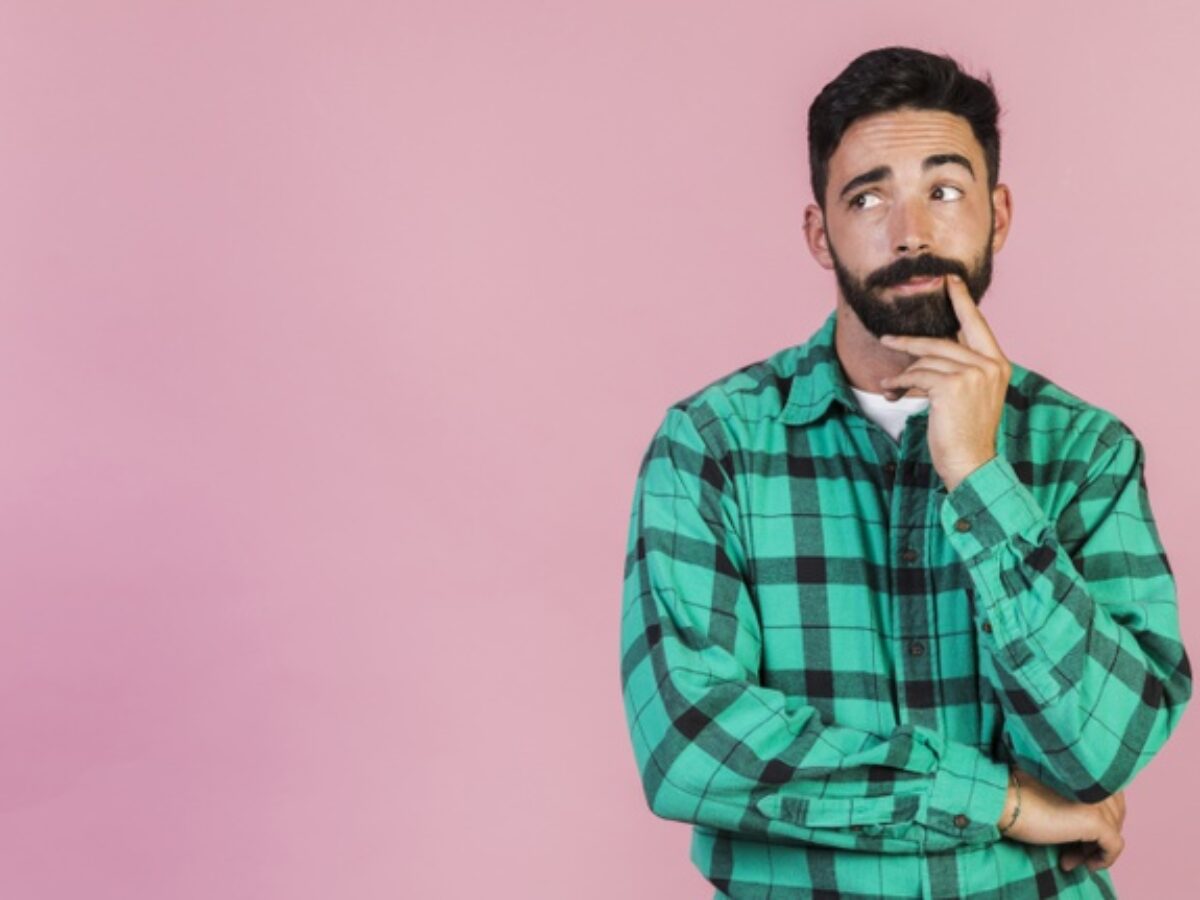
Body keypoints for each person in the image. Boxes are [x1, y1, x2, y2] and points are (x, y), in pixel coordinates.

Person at [617, 46, 1191, 899]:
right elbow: (690, 749)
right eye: (868, 197)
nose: (911, 231)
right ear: (820, 233)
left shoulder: (1086, 450)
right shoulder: (711, 446)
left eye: (944, 190)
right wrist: (995, 801)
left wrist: (980, 477)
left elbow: (1104, 750)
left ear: (998, 215)